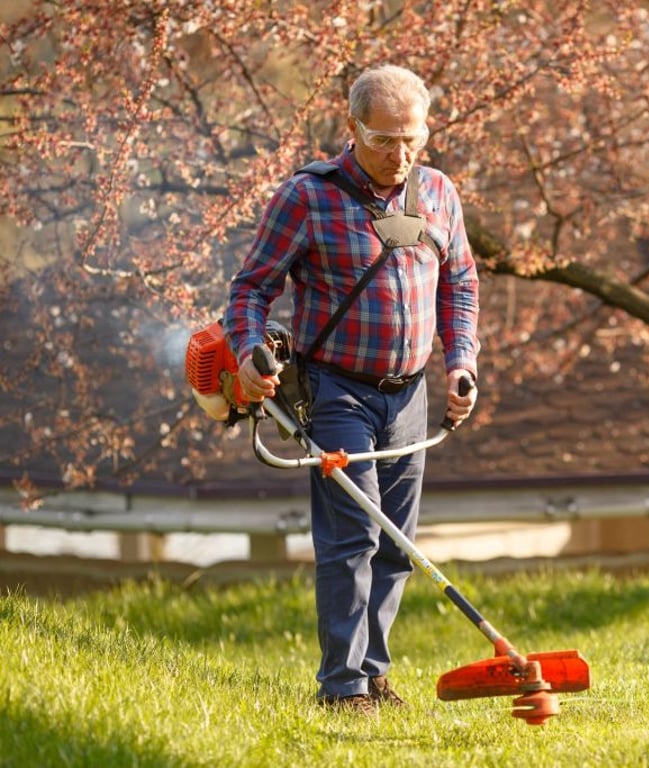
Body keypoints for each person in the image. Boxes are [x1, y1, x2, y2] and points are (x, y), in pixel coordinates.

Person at [224, 64, 480, 714]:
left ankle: (373, 671)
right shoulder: (307, 197)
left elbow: (460, 284)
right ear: (352, 128)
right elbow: (251, 287)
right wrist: (248, 352)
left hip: (409, 393)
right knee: (353, 536)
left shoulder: (439, 193)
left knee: (396, 540)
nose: (400, 155)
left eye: (412, 140)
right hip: (335, 389)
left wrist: (460, 362)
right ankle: (341, 689)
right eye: (385, 140)